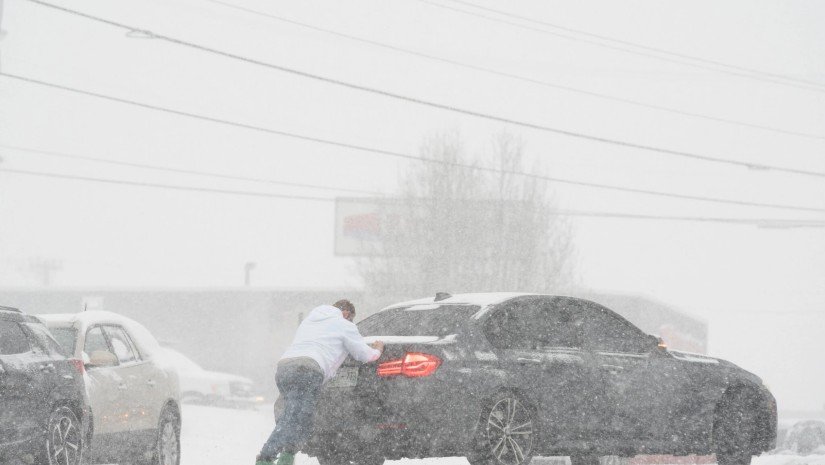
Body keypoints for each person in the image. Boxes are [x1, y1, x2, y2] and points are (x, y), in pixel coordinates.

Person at [256, 299, 384, 465]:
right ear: (346, 313)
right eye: (351, 319)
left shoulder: (310, 321)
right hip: (308, 370)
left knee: (300, 418)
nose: (351, 322)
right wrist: (378, 349)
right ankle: (266, 458)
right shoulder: (343, 324)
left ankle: (286, 458)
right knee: (293, 418)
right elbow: (365, 355)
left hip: (284, 368)